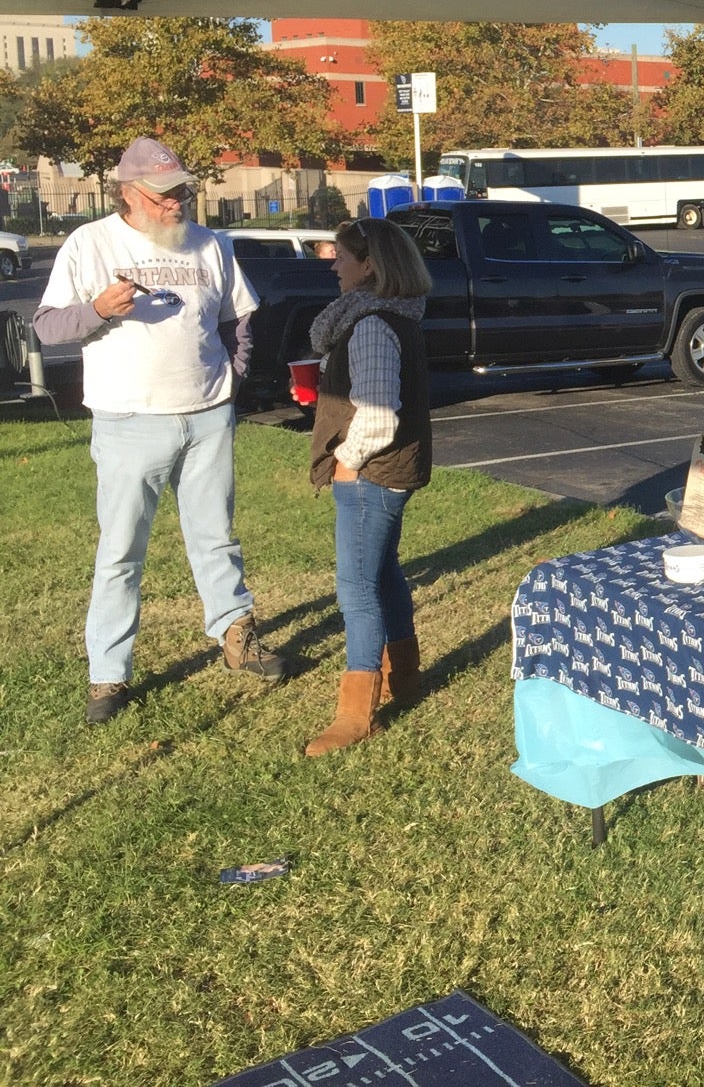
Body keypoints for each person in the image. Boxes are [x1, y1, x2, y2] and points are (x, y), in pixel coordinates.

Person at [34, 137, 286, 724]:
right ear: (129, 193)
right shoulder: (90, 243)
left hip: (207, 415)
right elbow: (47, 328)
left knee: (216, 536)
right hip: (128, 419)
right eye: (164, 195)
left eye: (183, 192)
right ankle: (108, 673)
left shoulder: (210, 244)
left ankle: (236, 634)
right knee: (121, 550)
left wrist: (231, 380)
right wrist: (99, 310)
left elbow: (238, 320)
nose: (177, 204)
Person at [304, 216, 433, 756]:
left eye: (341, 257)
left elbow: (379, 416)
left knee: (356, 588)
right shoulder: (388, 317)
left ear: (370, 265)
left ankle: (357, 713)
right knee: (383, 573)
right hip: (386, 473)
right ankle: (405, 675)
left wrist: (347, 461)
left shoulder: (372, 324)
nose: (334, 265)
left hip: (372, 474)